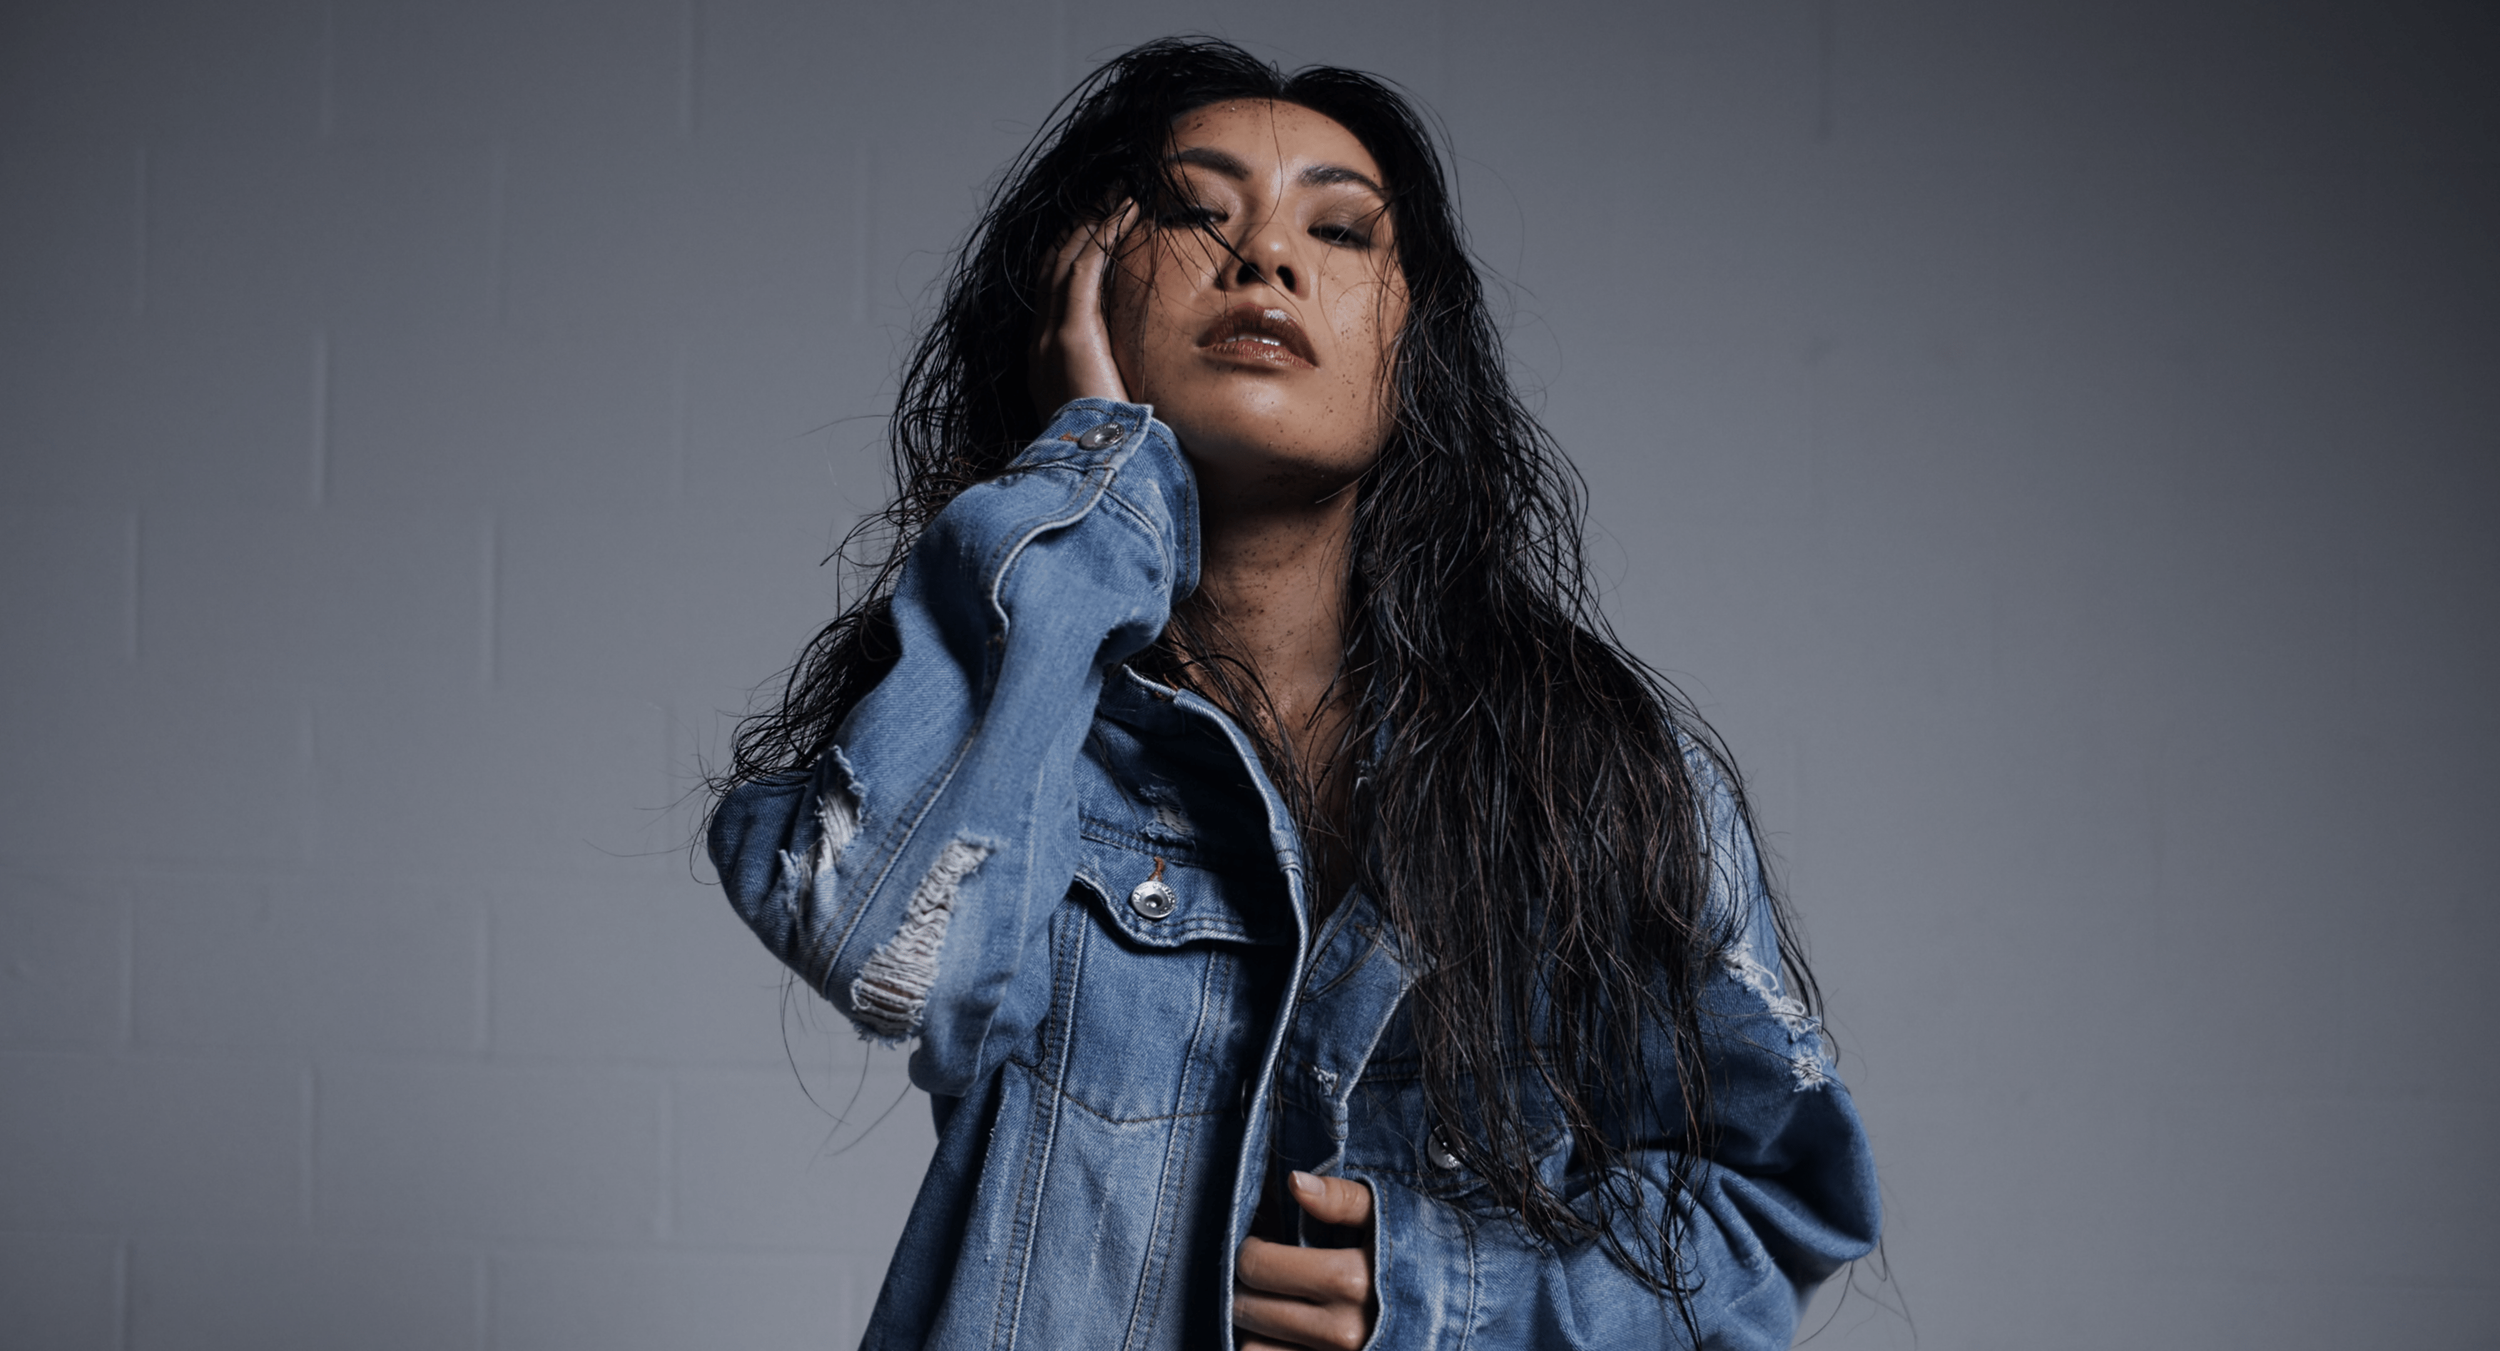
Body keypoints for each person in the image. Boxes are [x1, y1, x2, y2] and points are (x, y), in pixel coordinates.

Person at [706, 37, 1879, 1351]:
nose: (1264, 259)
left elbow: (1775, 1207)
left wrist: (1446, 1293)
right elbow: (895, 958)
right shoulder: (1023, 714)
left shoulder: (1588, 775)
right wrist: (1084, 476)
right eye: (1198, 213)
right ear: (1079, 292)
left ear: (1408, 340)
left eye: (1339, 231)